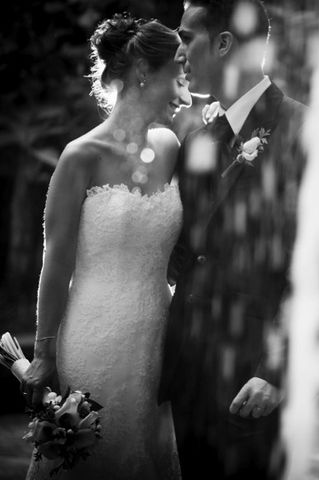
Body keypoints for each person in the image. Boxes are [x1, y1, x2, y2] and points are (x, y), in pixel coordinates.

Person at [21, 13, 191, 479]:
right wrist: (43, 354)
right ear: (143, 73)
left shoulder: (171, 145)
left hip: (158, 337)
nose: (184, 84)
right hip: (95, 336)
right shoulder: (81, 157)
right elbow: (54, 265)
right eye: (177, 71)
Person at [158, 1, 307, 478]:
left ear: (223, 43)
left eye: (186, 37)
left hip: (253, 376)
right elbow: (185, 251)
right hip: (189, 372)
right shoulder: (195, 139)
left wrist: (276, 372)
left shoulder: (304, 130)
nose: (178, 51)